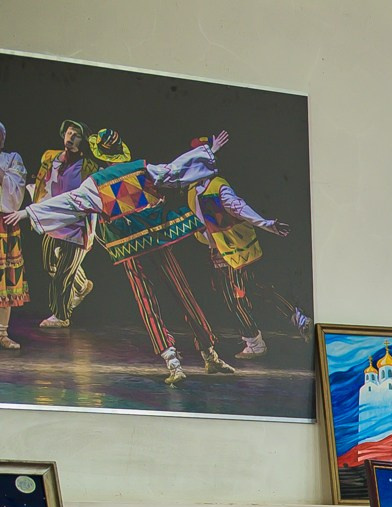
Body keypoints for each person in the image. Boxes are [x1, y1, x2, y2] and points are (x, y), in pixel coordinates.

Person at [4, 129, 233, 384]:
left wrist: (28, 213)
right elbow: (175, 170)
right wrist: (208, 151)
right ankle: (209, 353)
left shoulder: (95, 183)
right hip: (156, 238)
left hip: (130, 248)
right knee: (182, 292)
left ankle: (173, 361)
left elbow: (68, 202)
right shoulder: (140, 169)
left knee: (147, 301)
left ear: (100, 156)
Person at [187, 166, 310, 356]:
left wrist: (267, 224)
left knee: (235, 298)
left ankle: (254, 342)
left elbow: (240, 208)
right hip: (223, 251)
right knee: (256, 287)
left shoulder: (219, 187)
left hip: (235, 252)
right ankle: (298, 318)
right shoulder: (192, 191)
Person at [32, 119, 92, 329]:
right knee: (50, 265)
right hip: (53, 221)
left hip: (77, 226)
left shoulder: (89, 166)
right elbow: (42, 181)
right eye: (68, 132)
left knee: (63, 274)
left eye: (76, 134)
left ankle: (61, 315)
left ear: (83, 140)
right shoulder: (50, 157)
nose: (71, 137)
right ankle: (83, 285)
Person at [0, 126, 27, 349]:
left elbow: (14, 192)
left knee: (4, 278)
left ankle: (2, 333)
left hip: (3, 224)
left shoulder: (11, 159)